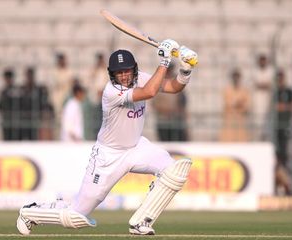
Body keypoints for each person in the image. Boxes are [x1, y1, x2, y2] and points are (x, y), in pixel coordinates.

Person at [16, 39, 198, 235]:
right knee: (76, 216)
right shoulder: (111, 91)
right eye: (119, 72)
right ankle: (30, 212)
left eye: (127, 70)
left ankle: (141, 222)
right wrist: (164, 61)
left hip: (136, 147)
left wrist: (185, 69)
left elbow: (172, 87)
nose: (124, 76)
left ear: (134, 69)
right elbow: (150, 92)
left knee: (175, 171)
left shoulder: (142, 78)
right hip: (108, 157)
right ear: (112, 74)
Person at [273, 69, 292, 196]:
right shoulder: (275, 93)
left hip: (285, 127)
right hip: (276, 128)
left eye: (281, 78)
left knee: (284, 158)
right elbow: (275, 107)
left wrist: (282, 107)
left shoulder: (289, 92)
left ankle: (287, 185)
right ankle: (280, 186)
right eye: (278, 78)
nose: (280, 80)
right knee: (276, 158)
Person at [152, 63, 188, 141]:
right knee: (165, 143)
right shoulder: (157, 83)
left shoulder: (175, 82)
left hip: (176, 120)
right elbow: (154, 104)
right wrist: (166, 111)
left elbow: (182, 102)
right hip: (163, 121)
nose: (169, 71)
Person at [219, 68, 251, 142]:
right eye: (234, 77)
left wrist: (238, 104)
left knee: (241, 141)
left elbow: (246, 105)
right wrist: (238, 103)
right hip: (229, 120)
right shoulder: (227, 90)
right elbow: (228, 103)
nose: (236, 79)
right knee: (228, 141)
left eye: (237, 77)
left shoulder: (244, 90)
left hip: (240, 120)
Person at [19, 67, 51, 140]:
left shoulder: (38, 89)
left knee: (34, 140)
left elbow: (44, 102)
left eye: (31, 75)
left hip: (35, 120)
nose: (29, 77)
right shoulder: (22, 89)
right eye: (28, 75)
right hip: (23, 120)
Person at [83, 52, 109, 140]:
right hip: (95, 99)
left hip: (105, 98)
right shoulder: (94, 70)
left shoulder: (106, 70)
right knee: (95, 118)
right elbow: (89, 82)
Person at [251, 54, 275, 140]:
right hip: (258, 99)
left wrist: (263, 85)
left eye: (264, 60)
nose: (262, 62)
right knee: (258, 120)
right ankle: (258, 138)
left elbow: (269, 84)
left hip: (267, 98)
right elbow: (257, 84)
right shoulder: (255, 71)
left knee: (267, 120)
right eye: (261, 60)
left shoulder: (270, 71)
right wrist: (263, 85)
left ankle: (266, 138)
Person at [0, 68, 21, 140]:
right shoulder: (3, 91)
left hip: (16, 122)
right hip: (7, 121)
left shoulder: (17, 90)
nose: (8, 80)